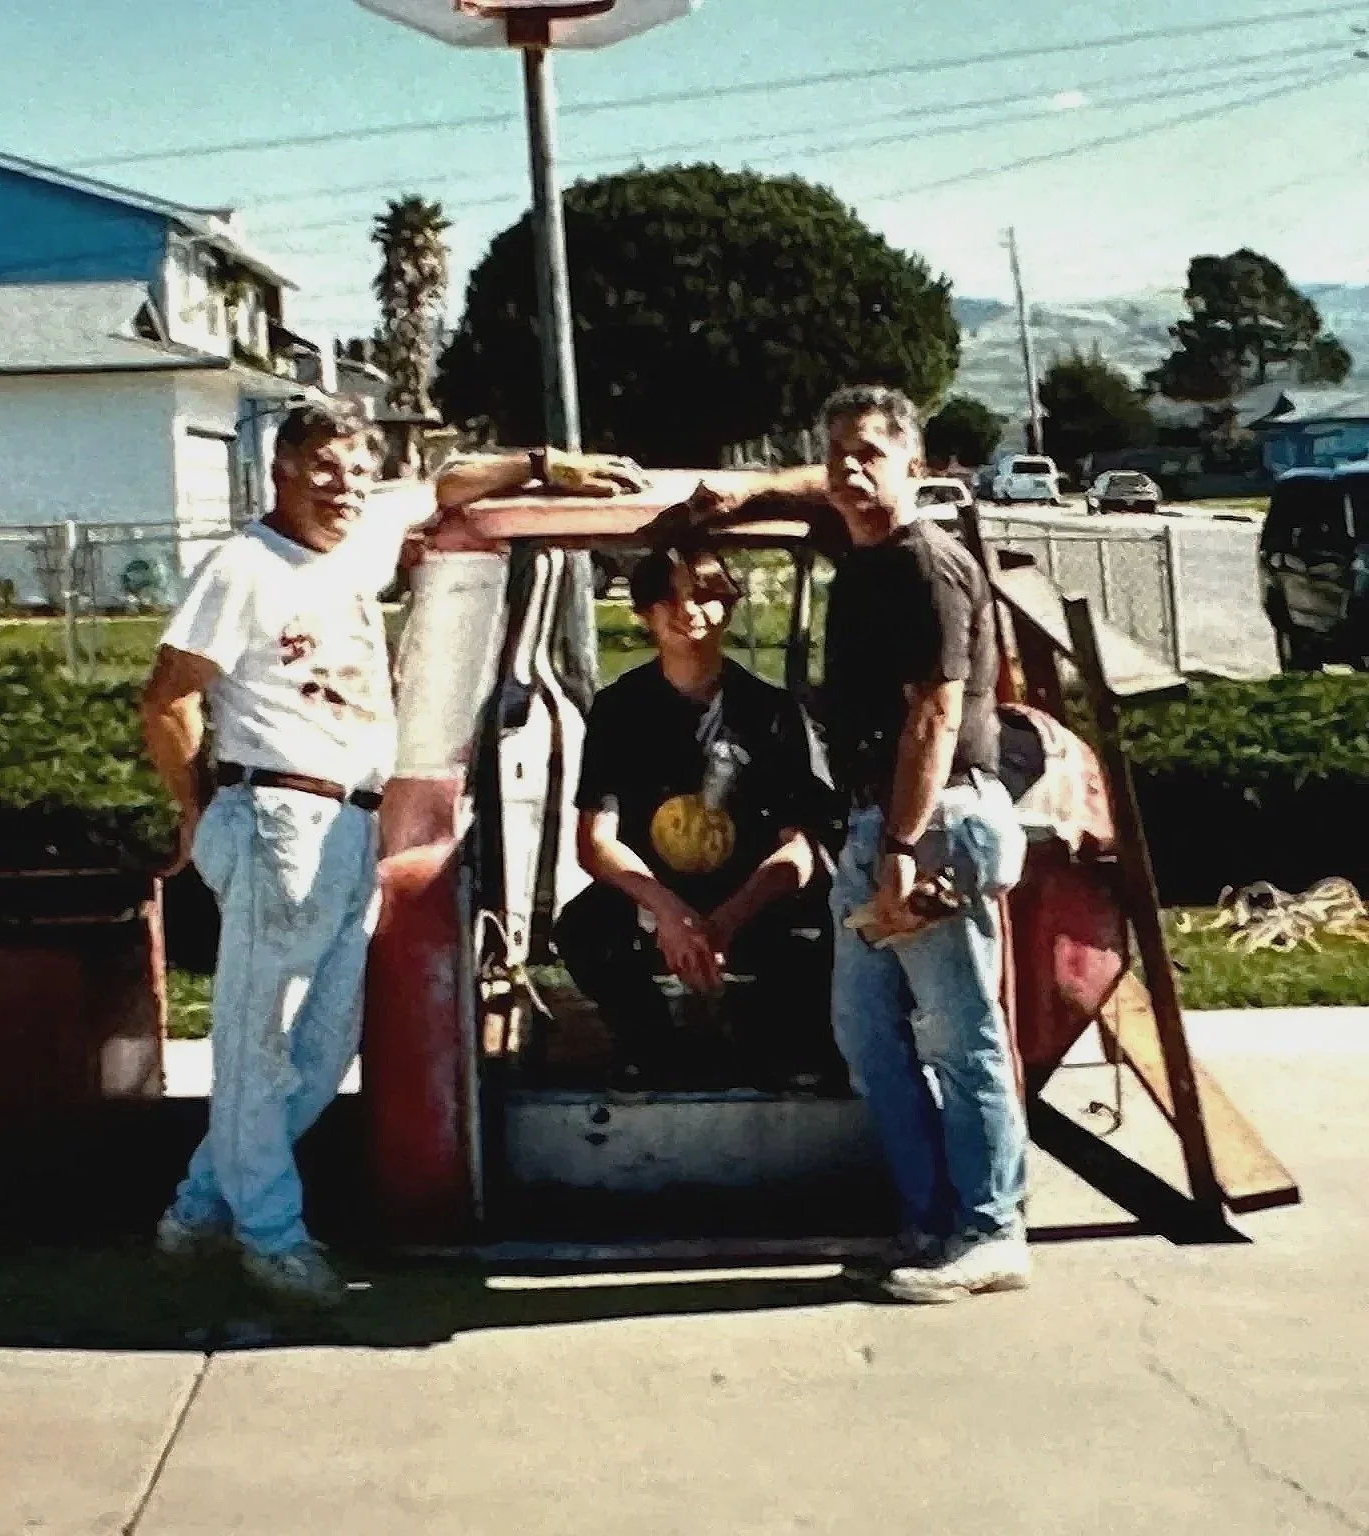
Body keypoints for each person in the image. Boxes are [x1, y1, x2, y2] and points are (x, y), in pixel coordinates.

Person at [141, 399, 643, 1302]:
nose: (343, 487)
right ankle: (271, 1238)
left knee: (326, 1046)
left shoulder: (363, 534)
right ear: (281, 473)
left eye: (355, 468)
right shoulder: (244, 567)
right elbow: (167, 697)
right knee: (259, 1045)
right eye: (322, 468)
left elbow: (446, 483)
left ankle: (199, 1208)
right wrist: (196, 812)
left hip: (351, 823)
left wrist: (546, 462)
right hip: (275, 816)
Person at [687, 385, 1030, 1302]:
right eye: (836, 450)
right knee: (867, 1034)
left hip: (934, 822)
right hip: (880, 822)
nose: (848, 467)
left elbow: (936, 711)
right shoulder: (863, 548)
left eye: (872, 452)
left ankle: (992, 1230)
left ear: (916, 468)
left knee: (962, 1038)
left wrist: (902, 848)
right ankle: (925, 1218)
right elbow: (826, 488)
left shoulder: (927, 564)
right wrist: (749, 493)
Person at [555, 541, 839, 1090]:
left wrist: (725, 921)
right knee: (585, 930)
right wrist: (670, 913)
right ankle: (654, 1054)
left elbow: (802, 849)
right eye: (667, 599)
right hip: (654, 897)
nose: (688, 612)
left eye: (706, 596)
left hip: (750, 899)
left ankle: (779, 1051)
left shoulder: (773, 711)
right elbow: (595, 842)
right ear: (642, 612)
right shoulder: (618, 710)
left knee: (818, 933)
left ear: (728, 607)